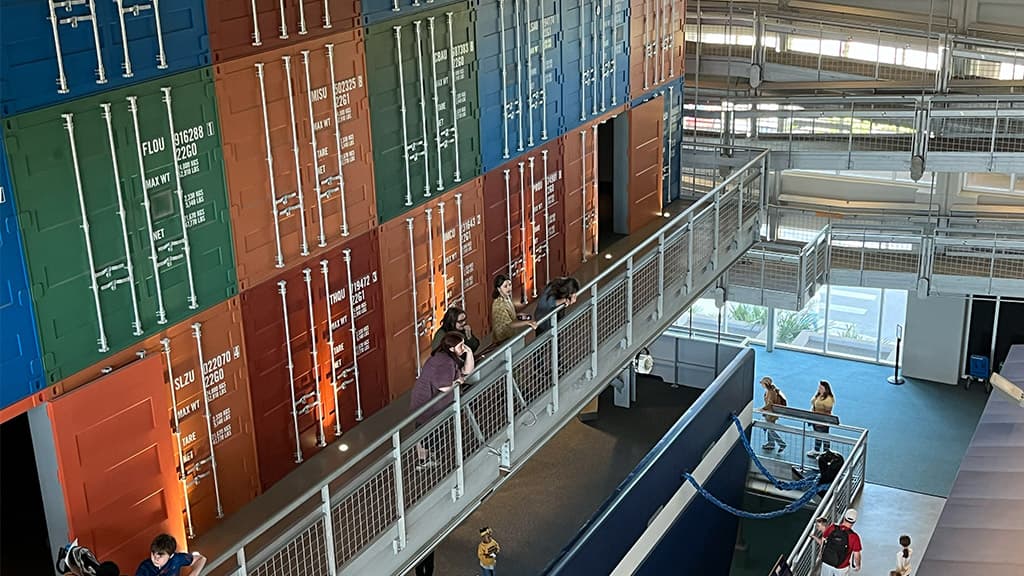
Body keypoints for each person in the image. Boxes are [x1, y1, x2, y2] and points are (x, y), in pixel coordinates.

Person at [409, 332, 475, 467]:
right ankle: (423, 461)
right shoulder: (445, 362)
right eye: (460, 345)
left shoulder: (448, 359)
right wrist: (458, 382)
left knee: (431, 432)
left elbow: (467, 371)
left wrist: (469, 353)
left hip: (432, 404)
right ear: (451, 348)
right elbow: (444, 386)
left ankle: (429, 459)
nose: (463, 347)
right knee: (426, 432)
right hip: (426, 404)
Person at [812, 508, 862, 575]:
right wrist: (858, 565)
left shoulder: (832, 527)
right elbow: (856, 555)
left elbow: (823, 542)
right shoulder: (854, 537)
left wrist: (821, 553)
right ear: (854, 521)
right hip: (841, 567)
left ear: (844, 517)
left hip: (827, 562)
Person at [491, 274, 537, 343]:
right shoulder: (499, 305)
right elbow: (509, 324)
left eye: (510, 285)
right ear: (498, 289)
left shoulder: (506, 297)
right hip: (504, 340)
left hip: (511, 335)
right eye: (505, 286)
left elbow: (509, 315)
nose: (509, 288)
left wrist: (519, 315)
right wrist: (527, 322)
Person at [135, 534, 206, 576]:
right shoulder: (144, 568)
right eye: (153, 553)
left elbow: (201, 559)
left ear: (171, 555)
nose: (155, 558)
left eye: (161, 555)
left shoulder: (176, 559)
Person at [807, 379, 835, 458]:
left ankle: (826, 452)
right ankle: (817, 450)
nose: (819, 389)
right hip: (815, 419)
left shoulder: (828, 398)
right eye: (819, 387)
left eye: (821, 388)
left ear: (826, 389)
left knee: (824, 435)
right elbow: (813, 403)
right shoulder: (818, 395)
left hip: (823, 420)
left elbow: (828, 410)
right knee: (817, 435)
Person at [759, 376, 788, 452]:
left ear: (765, 384)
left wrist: (762, 409)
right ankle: (771, 443)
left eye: (762, 383)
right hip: (771, 413)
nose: (761, 385)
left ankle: (781, 444)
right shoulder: (770, 391)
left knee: (770, 429)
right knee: (770, 428)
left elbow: (770, 404)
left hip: (771, 414)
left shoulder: (770, 392)